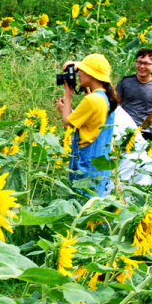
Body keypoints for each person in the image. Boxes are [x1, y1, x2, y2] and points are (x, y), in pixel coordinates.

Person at [56, 54, 119, 198]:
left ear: (92, 74)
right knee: (95, 208)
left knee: (81, 204)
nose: (79, 74)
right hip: (101, 161)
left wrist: (68, 94)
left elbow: (67, 122)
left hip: (86, 162)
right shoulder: (107, 96)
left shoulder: (92, 100)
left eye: (82, 70)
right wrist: (77, 64)